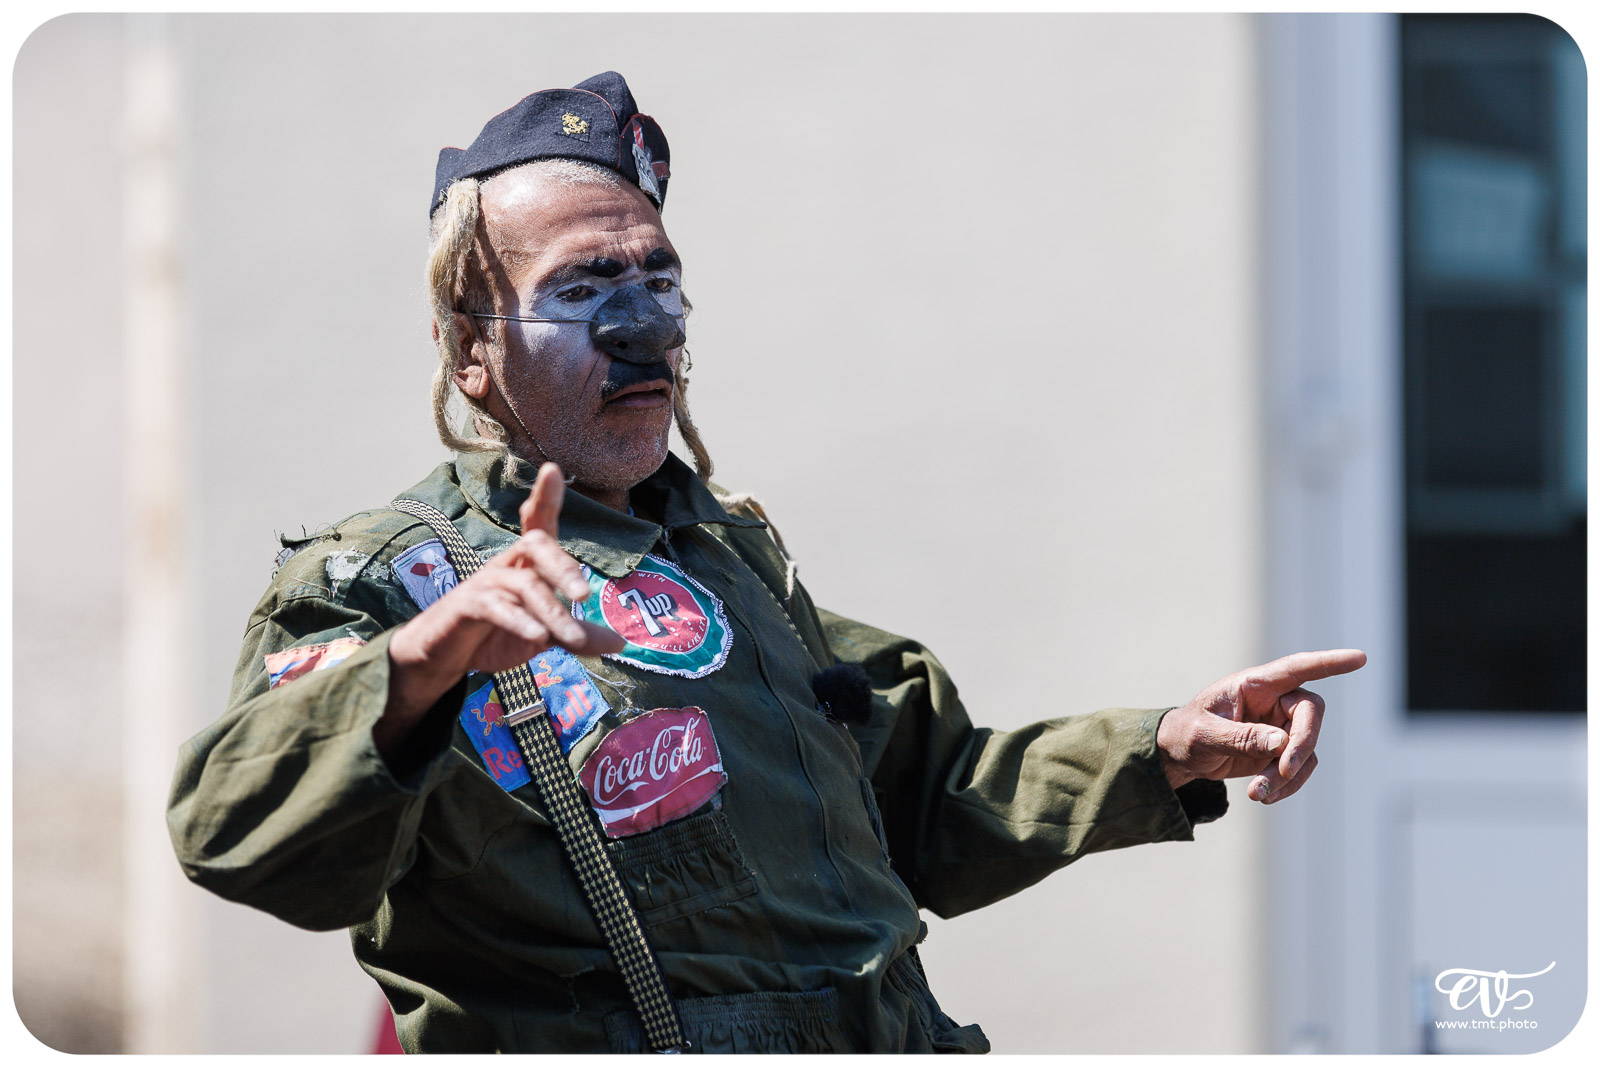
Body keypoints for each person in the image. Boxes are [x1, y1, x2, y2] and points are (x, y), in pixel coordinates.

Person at [167, 71, 1365, 1054]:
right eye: (584, 288)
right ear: (472, 349)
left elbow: (922, 797)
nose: (645, 325)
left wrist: (1159, 745)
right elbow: (231, 830)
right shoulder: (393, 579)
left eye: (657, 277)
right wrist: (422, 667)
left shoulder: (728, 554)